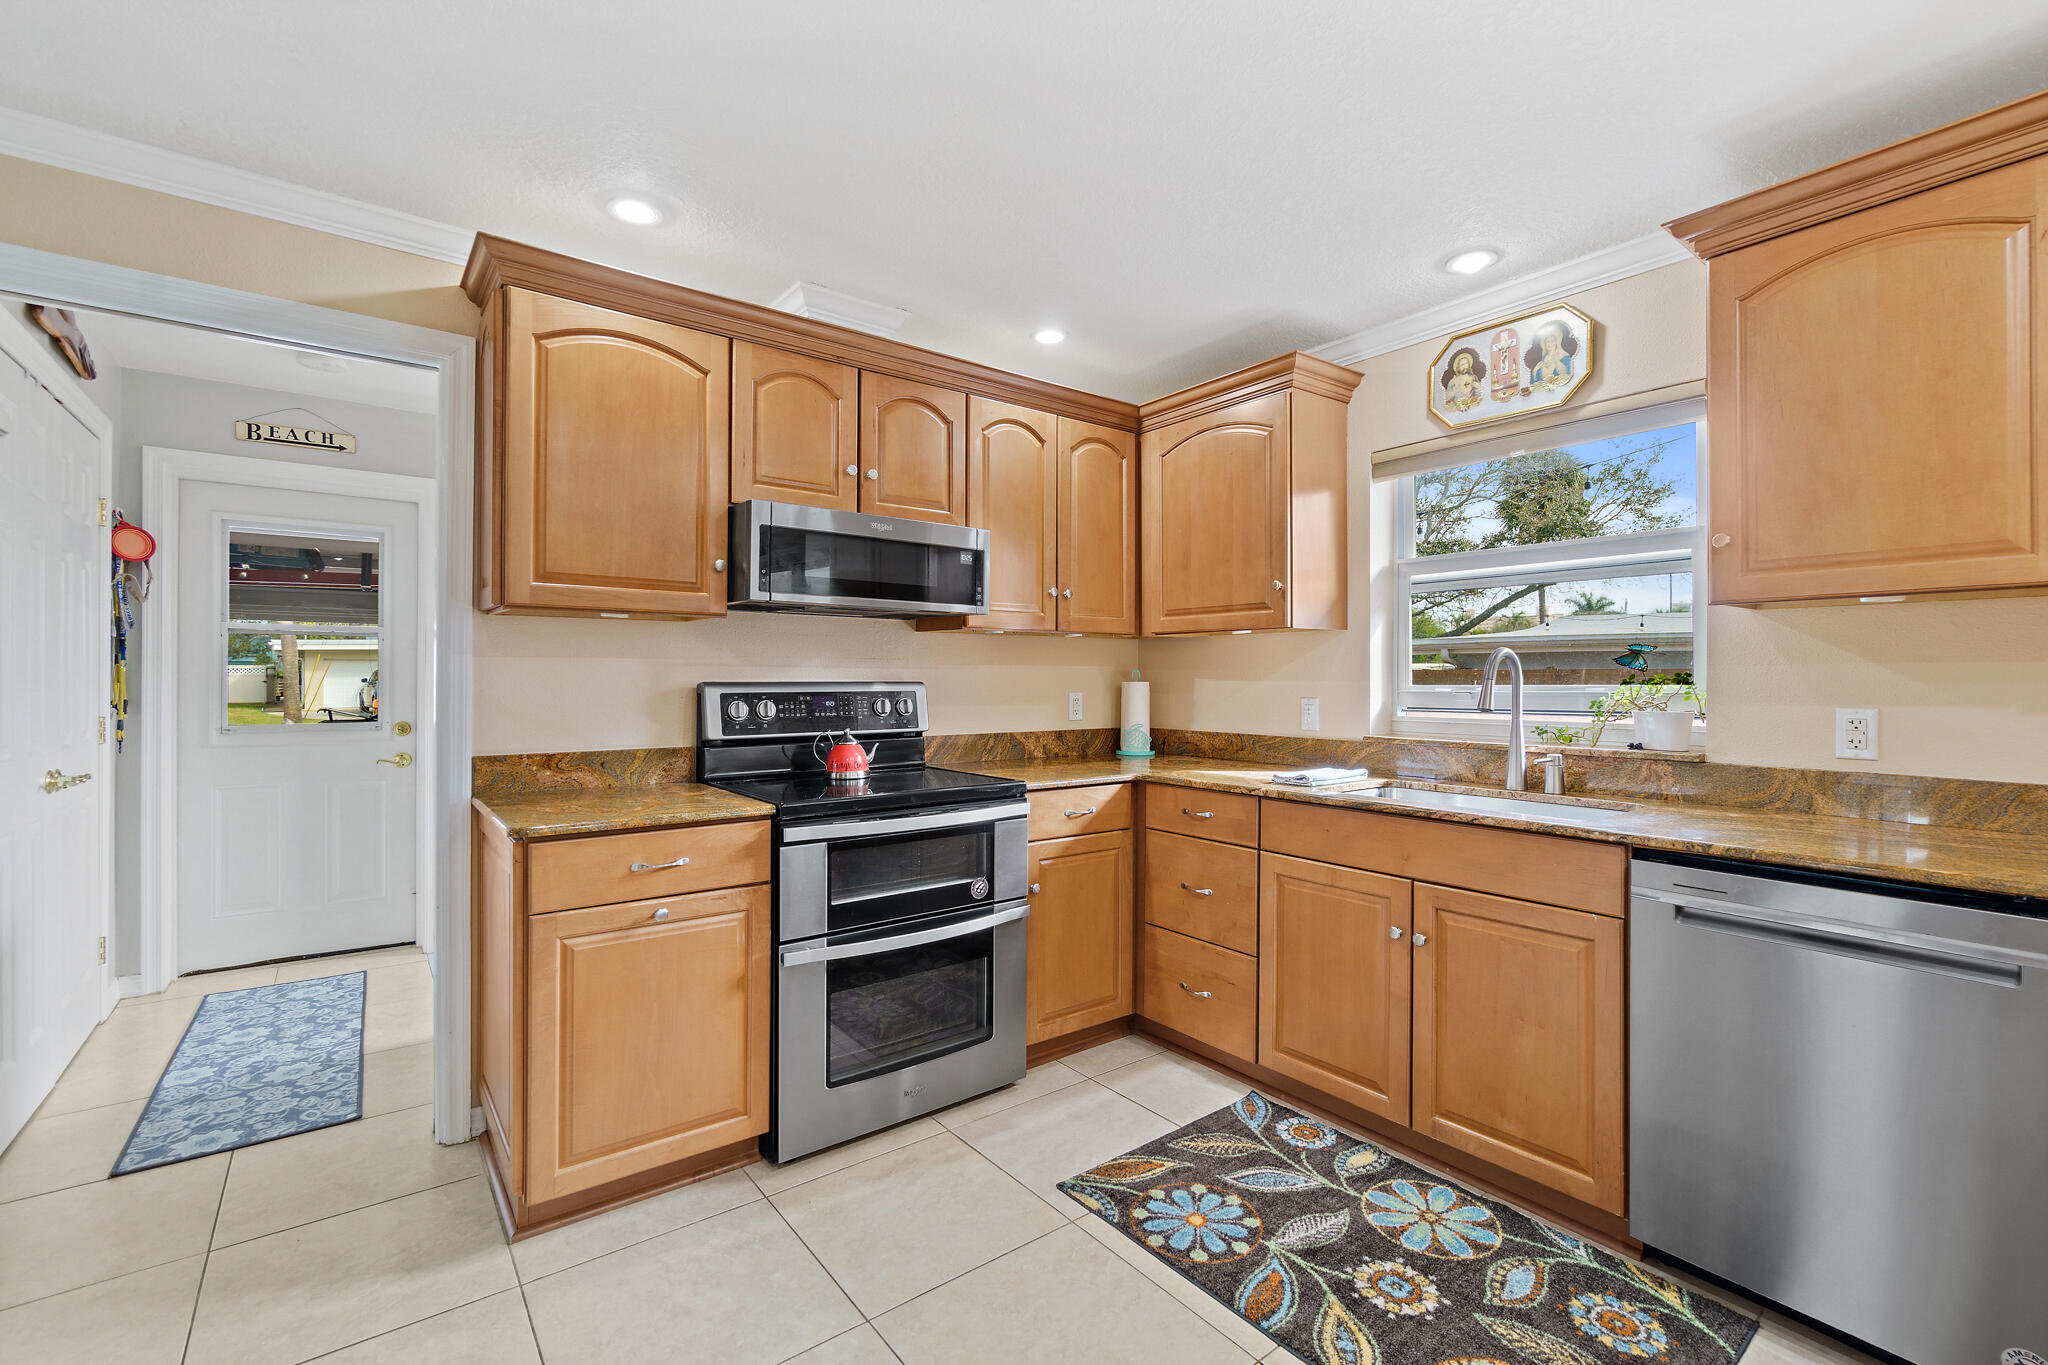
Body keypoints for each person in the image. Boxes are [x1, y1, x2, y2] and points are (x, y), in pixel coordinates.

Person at [1525, 320, 1579, 389]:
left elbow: (1567, 375)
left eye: (1552, 341)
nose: (1549, 344)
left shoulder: (1563, 356)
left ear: (1556, 342)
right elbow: (1534, 383)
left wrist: (1556, 361)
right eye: (1547, 342)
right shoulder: (1543, 359)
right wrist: (1535, 371)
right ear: (1545, 344)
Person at [1438, 346, 1483, 411]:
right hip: (1458, 403)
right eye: (1462, 365)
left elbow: (1478, 391)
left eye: (1466, 363)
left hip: (1471, 402)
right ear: (1458, 367)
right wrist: (1455, 389)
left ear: (1469, 364)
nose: (1464, 366)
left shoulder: (1473, 377)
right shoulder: (1454, 380)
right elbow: (1448, 396)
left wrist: (1477, 387)